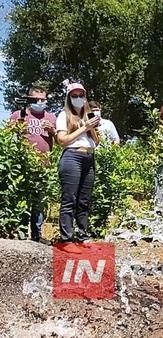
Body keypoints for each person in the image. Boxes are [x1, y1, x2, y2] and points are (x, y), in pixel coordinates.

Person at [55, 83, 100, 253]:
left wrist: (93, 127)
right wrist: (85, 127)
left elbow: (96, 142)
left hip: (89, 156)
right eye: (74, 95)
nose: (78, 98)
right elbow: (62, 140)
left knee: (84, 200)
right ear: (68, 98)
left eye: (81, 95)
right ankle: (66, 240)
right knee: (69, 199)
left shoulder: (88, 115)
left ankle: (83, 237)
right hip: (72, 157)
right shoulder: (63, 115)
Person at [9, 86, 56, 245]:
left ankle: (36, 236)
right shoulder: (19, 114)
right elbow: (7, 135)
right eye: (36, 99)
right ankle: (22, 235)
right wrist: (17, 126)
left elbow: (59, 139)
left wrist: (53, 131)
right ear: (29, 99)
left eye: (43, 99)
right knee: (23, 201)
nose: (40, 102)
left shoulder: (51, 117)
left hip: (44, 166)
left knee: (39, 202)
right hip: (23, 166)